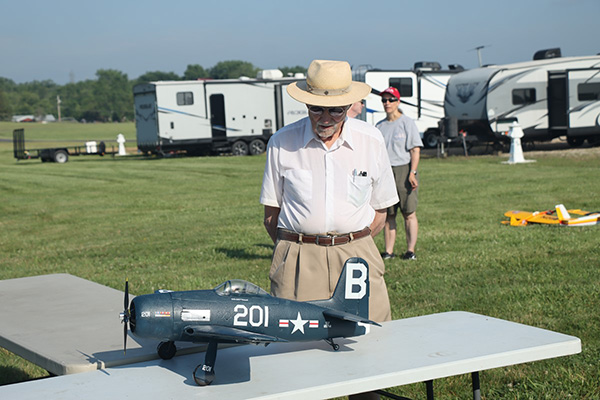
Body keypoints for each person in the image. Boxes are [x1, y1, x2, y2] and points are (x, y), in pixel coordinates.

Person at [260, 60, 399, 325]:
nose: (325, 119)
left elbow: (380, 212)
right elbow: (271, 216)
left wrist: (352, 242)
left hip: (356, 256)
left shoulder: (371, 140)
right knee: (296, 352)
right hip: (299, 259)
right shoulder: (281, 142)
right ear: (305, 105)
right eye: (316, 109)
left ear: (349, 106)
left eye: (336, 111)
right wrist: (297, 250)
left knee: (372, 345)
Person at [376, 87, 423, 260]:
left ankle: (410, 250)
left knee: (408, 212)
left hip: (404, 170)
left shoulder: (407, 123)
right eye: (384, 100)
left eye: (391, 100)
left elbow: (415, 150)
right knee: (389, 215)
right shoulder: (379, 126)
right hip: (386, 173)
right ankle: (389, 251)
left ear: (398, 102)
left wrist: (413, 172)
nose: (387, 103)